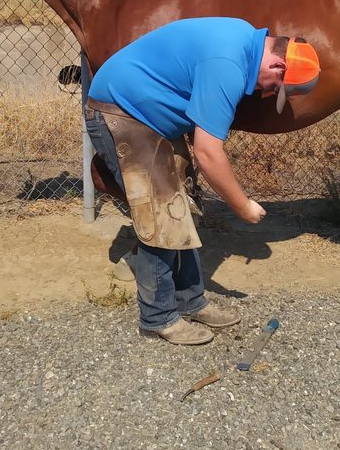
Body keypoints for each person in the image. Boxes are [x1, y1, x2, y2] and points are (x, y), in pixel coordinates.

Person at [85, 17, 320, 346]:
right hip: (119, 111)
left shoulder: (242, 42)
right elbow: (208, 152)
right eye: (273, 87)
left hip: (147, 118)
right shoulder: (229, 64)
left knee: (185, 205)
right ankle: (157, 318)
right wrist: (243, 206)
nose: (266, 94)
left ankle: (191, 301)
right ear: (278, 64)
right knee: (161, 213)